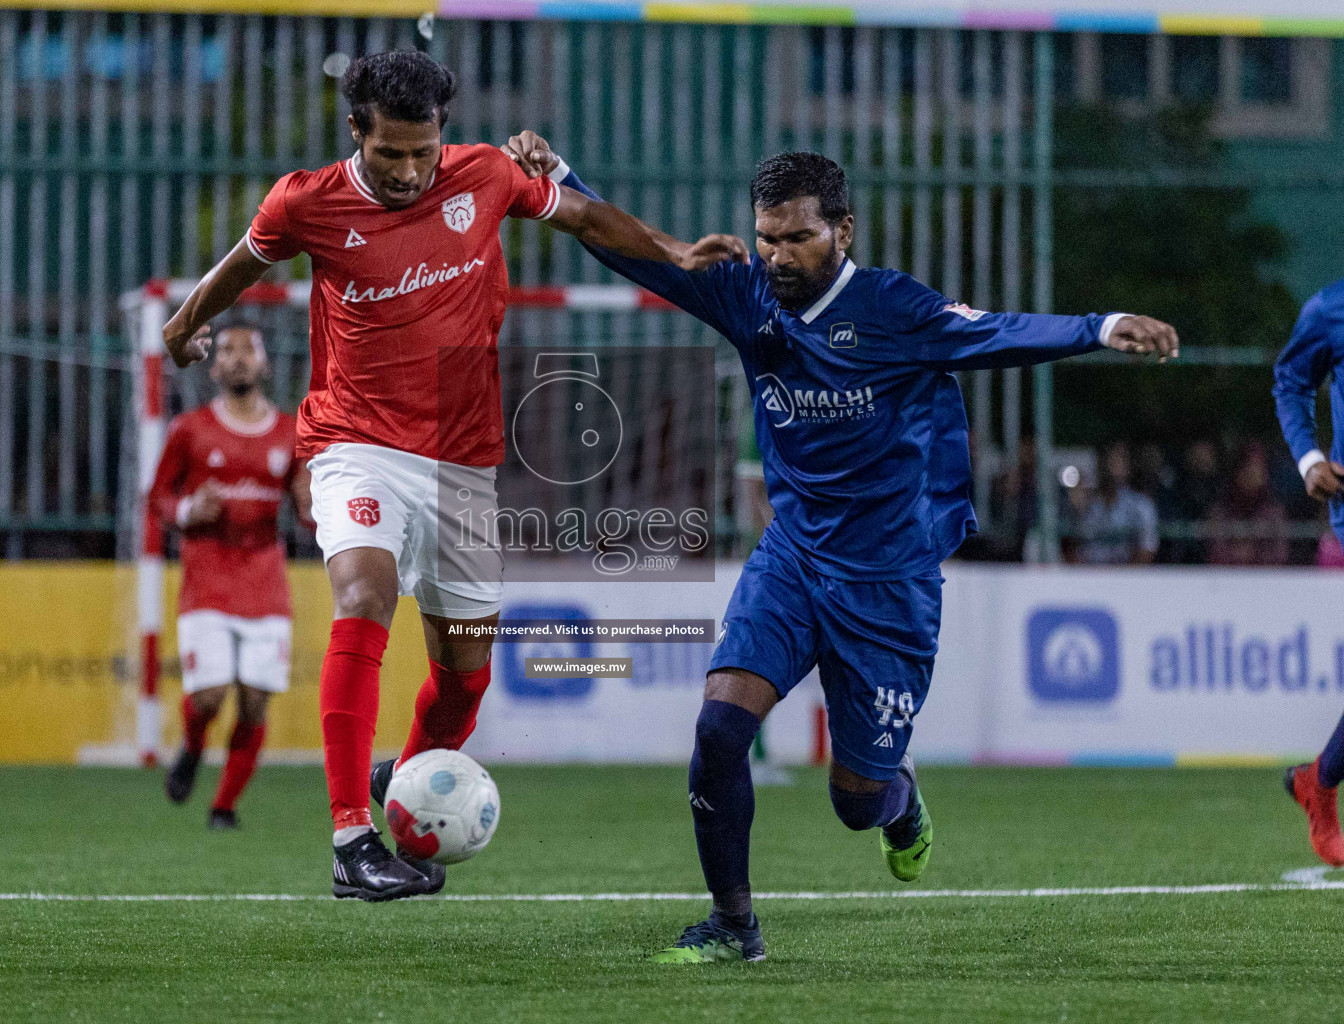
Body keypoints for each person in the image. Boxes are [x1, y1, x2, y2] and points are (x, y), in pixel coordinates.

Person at [503, 133, 1179, 962]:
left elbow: (1000, 332)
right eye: (768, 236)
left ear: (843, 232)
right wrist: (561, 182)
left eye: (798, 237)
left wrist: (1101, 326)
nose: (778, 255)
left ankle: (899, 803)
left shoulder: (897, 310)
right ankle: (734, 926)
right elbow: (635, 251)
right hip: (793, 558)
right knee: (719, 729)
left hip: (889, 581)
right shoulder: (748, 296)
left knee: (855, 802)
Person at [160, 51, 746, 902]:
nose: (406, 172)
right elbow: (243, 264)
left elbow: (582, 217)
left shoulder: (487, 174)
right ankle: (350, 841)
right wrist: (183, 326)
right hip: (352, 441)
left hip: (464, 463)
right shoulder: (307, 202)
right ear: (355, 130)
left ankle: (405, 778)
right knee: (363, 594)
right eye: (388, 153)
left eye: (420, 153)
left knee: (467, 672)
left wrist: (676, 250)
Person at [150, 325, 310, 830]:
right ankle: (193, 749)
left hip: (264, 577)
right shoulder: (190, 430)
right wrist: (188, 508)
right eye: (226, 350)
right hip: (208, 576)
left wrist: (315, 506)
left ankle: (223, 806)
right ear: (213, 367)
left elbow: (305, 509)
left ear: (265, 365)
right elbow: (157, 498)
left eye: (249, 349)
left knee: (256, 700)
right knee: (209, 695)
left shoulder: (291, 433)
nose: (238, 358)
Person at [1272, 279, 1344, 868]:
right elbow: (1291, 381)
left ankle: (1316, 779)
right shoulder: (1331, 307)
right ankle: (1317, 781)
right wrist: (1310, 457)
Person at [1066, 441, 1158, 565]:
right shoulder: (1086, 502)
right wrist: (1076, 510)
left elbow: (1147, 550)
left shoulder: (1141, 504)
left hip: (1127, 578)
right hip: (1087, 576)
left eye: (1119, 461)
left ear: (1128, 467)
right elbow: (1070, 547)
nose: (1111, 468)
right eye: (1108, 461)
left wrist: (1122, 578)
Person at [1205, 441, 1288, 566]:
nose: (1255, 477)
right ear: (1238, 473)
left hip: (1266, 580)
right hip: (1225, 579)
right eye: (1249, 471)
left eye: (1259, 472)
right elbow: (1214, 550)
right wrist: (1236, 556)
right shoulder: (1220, 510)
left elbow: (1280, 553)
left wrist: (1255, 556)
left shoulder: (1274, 512)